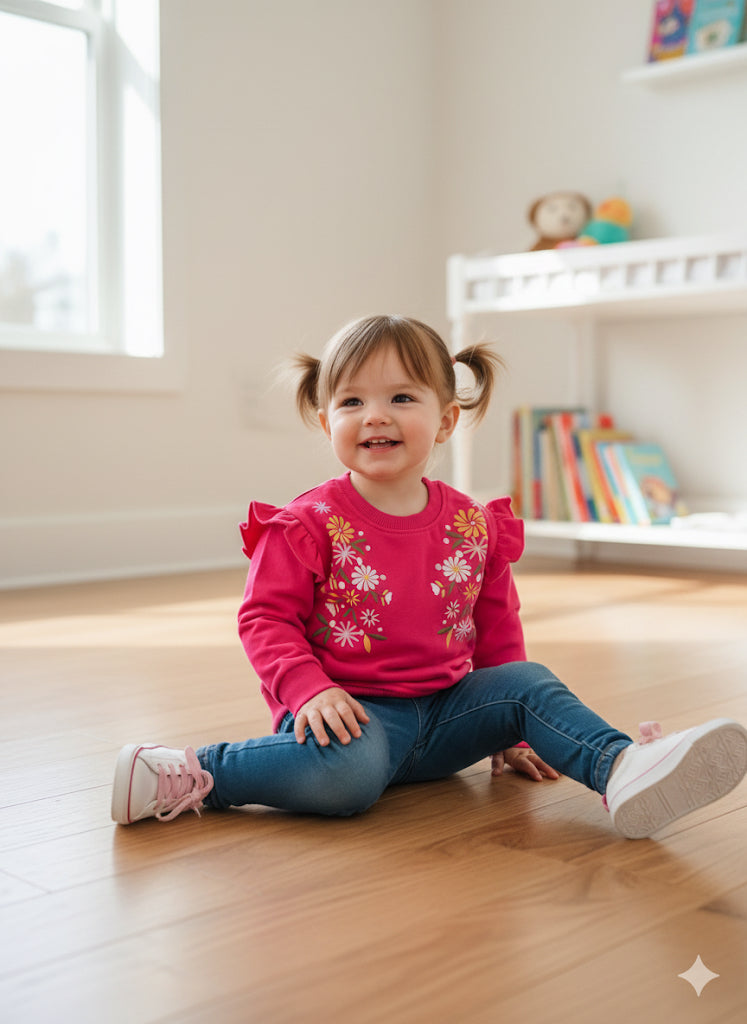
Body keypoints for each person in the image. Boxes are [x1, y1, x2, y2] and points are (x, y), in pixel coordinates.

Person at [111, 314, 747, 838]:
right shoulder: (308, 524)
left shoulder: (473, 524)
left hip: (445, 718)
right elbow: (264, 618)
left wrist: (513, 731)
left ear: (445, 420)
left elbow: (496, 625)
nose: (375, 415)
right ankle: (194, 772)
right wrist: (306, 690)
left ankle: (622, 768)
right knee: (349, 779)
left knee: (528, 684)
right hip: (350, 722)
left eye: (401, 398)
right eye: (351, 401)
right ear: (327, 420)